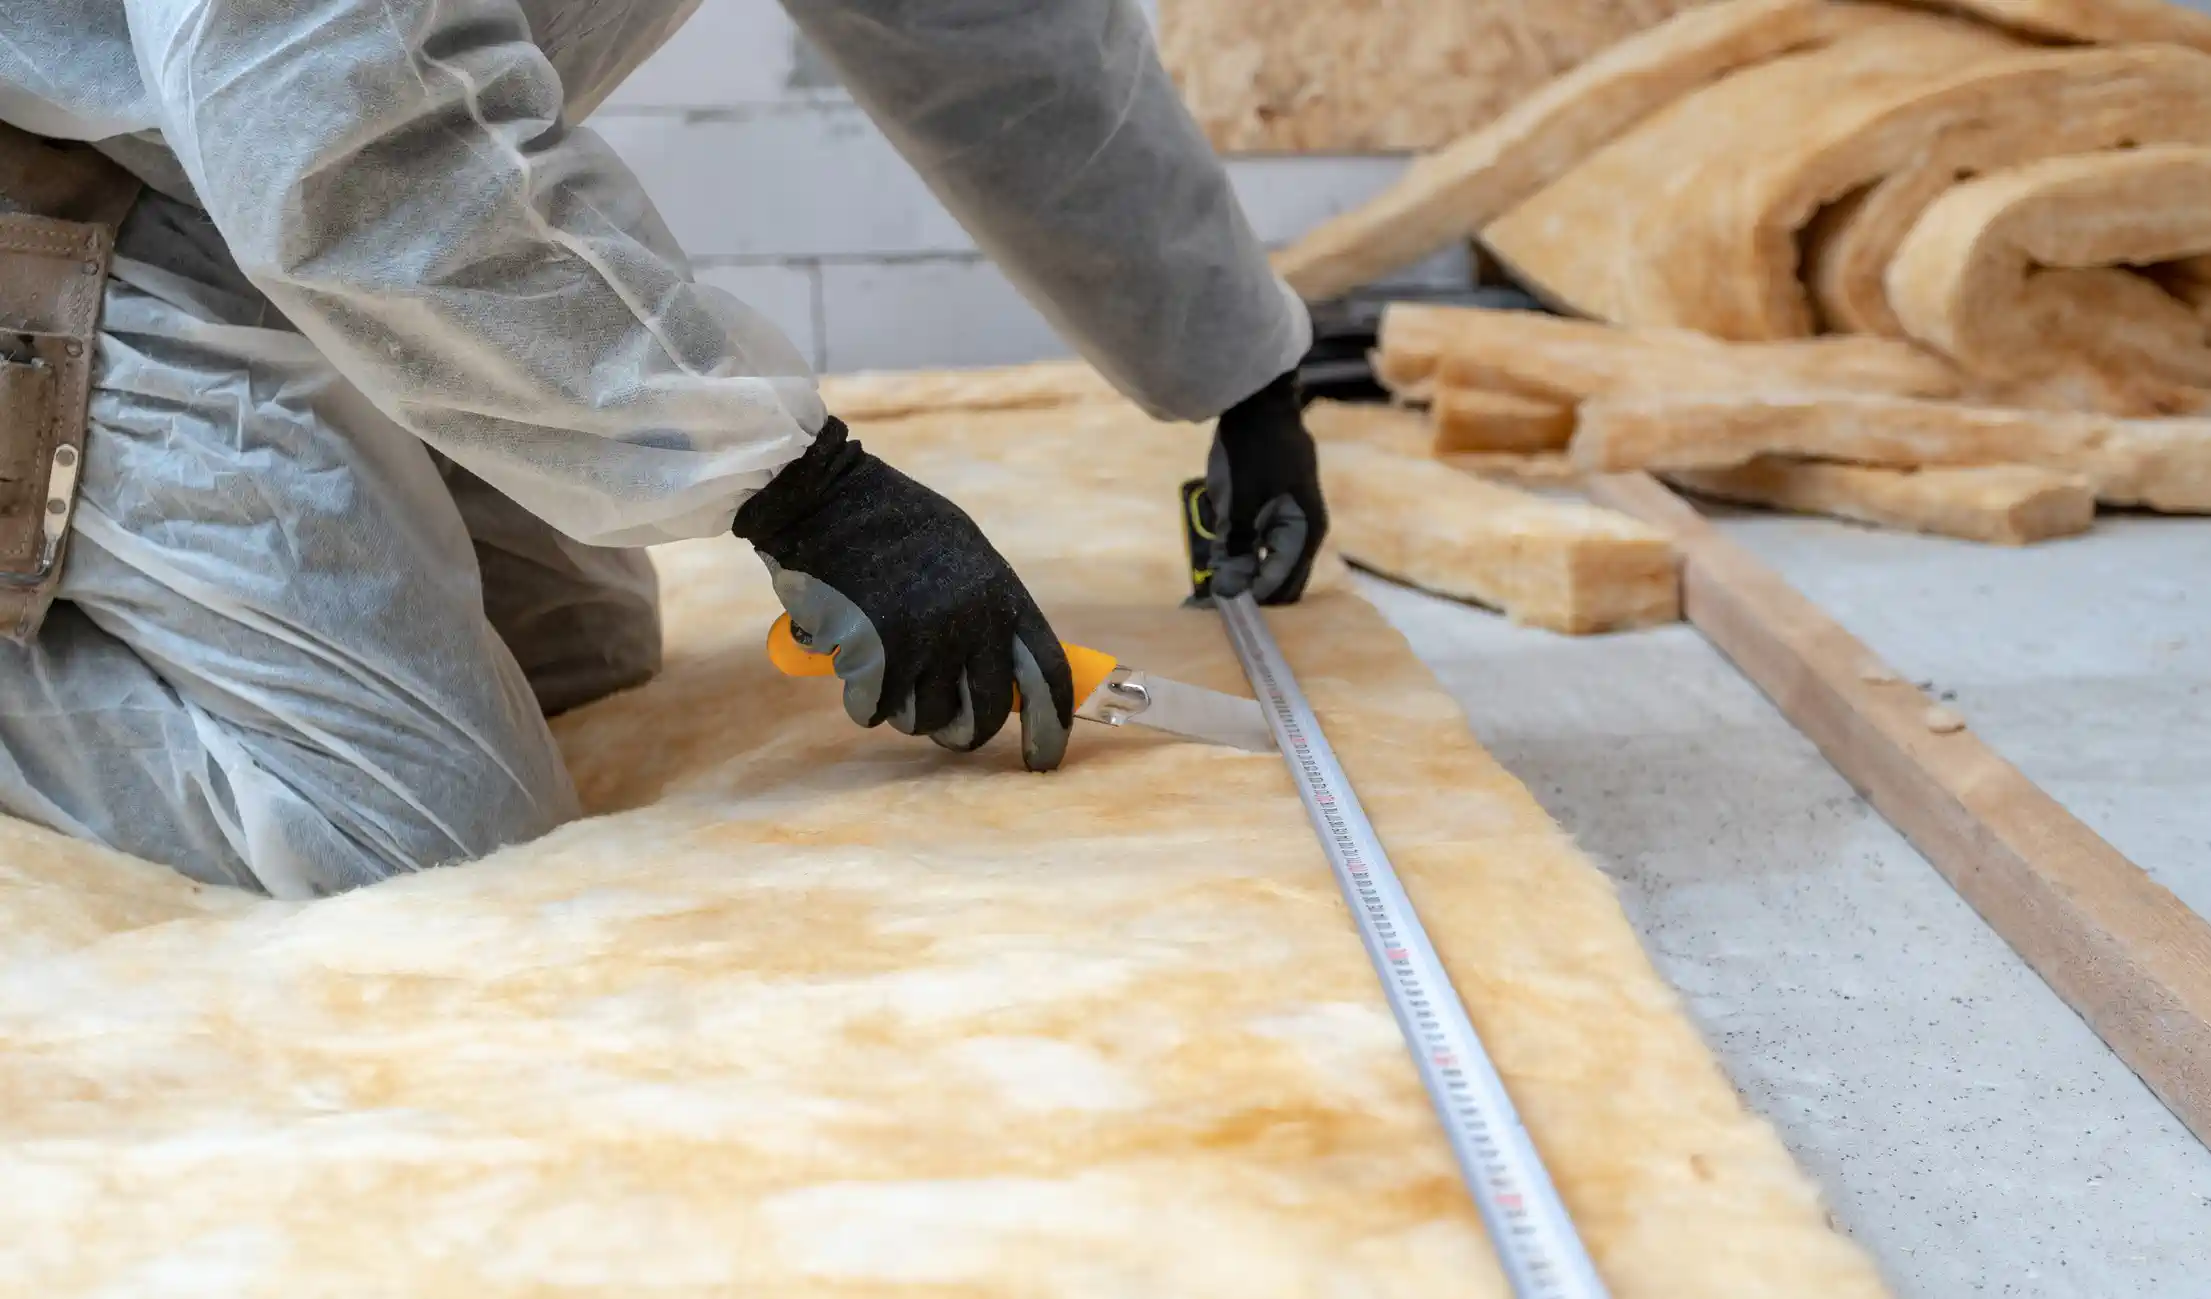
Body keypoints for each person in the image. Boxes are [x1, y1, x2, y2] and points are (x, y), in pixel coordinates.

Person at [0, 0, 1328, 899]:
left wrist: (1237, 362)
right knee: (418, 838)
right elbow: (321, 114)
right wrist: (811, 493)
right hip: (74, 192)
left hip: (262, 185)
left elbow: (987, 26)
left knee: (584, 656)